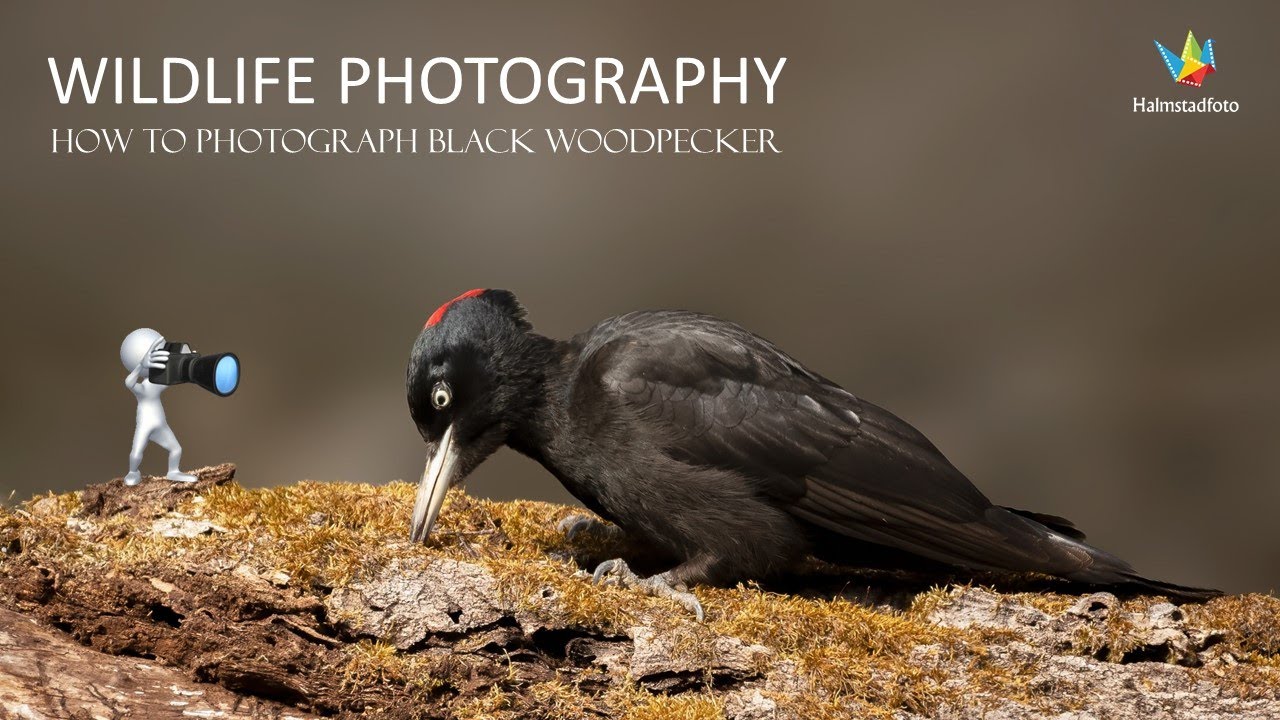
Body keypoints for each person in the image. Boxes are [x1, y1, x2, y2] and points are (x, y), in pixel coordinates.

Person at [120, 328, 197, 485]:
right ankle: (132, 473)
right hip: (145, 425)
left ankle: (173, 471)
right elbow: (128, 383)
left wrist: (188, 362)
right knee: (136, 453)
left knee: (176, 449)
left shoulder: (155, 383)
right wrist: (141, 366)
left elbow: (173, 379)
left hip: (161, 425)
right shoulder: (141, 389)